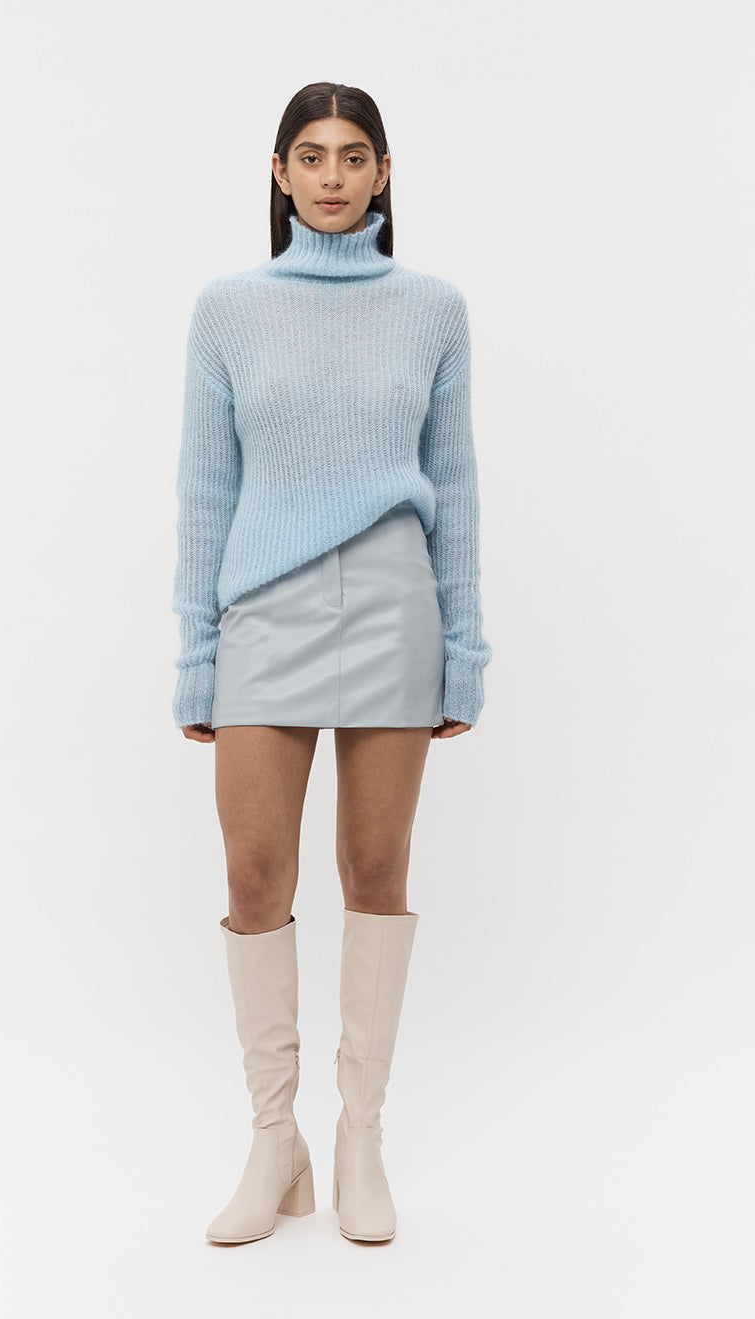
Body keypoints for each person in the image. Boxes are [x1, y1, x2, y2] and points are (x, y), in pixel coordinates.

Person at [171, 82, 492, 1245]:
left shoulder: (433, 308)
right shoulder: (229, 309)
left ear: (384, 173)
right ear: (279, 172)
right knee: (256, 874)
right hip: (265, 609)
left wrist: (465, 648)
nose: (332, 177)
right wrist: (197, 655)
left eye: (354, 156)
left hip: (396, 607)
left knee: (375, 866)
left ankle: (360, 1137)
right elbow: (206, 489)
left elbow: (453, 483)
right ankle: (276, 1140)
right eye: (310, 156)